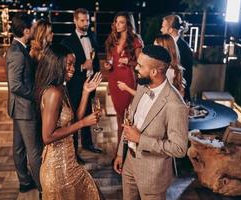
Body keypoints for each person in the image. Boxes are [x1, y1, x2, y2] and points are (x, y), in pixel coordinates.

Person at [114, 45, 189, 200]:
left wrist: (141, 139)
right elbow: (130, 121)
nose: (136, 68)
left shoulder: (176, 104)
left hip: (152, 175)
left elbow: (179, 148)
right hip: (129, 163)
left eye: (141, 66)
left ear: (154, 72)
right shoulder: (142, 85)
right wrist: (121, 153)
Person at [35, 44, 103, 199]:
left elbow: (73, 120)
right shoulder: (53, 93)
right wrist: (84, 123)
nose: (73, 68)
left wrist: (86, 92)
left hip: (70, 163)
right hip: (57, 169)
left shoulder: (61, 87)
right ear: (56, 64)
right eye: (69, 64)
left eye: (73, 64)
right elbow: (47, 136)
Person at [6, 13, 42, 193]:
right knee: (34, 151)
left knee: (19, 148)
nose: (34, 30)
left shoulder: (17, 48)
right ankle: (43, 186)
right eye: (33, 28)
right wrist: (36, 95)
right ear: (26, 31)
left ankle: (25, 182)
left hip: (19, 108)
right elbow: (16, 85)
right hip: (25, 108)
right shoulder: (18, 53)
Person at [61, 8, 102, 164]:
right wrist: (81, 67)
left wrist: (97, 73)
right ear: (75, 21)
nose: (86, 23)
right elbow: (65, 66)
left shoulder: (92, 36)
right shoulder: (67, 42)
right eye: (82, 20)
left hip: (91, 83)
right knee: (75, 117)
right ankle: (74, 152)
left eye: (87, 20)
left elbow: (95, 59)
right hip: (76, 86)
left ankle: (88, 143)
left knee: (88, 113)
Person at [104, 12, 143, 152]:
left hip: (128, 80)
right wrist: (108, 66)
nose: (117, 25)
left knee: (127, 117)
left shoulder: (135, 41)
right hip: (114, 79)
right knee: (119, 116)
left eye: (121, 22)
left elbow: (141, 64)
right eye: (116, 22)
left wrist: (129, 61)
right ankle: (121, 150)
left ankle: (123, 151)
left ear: (128, 24)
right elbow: (110, 60)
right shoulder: (113, 39)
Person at [118, 34, 185, 97]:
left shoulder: (165, 71)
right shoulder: (172, 69)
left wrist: (126, 88)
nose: (153, 50)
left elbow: (150, 96)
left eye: (156, 47)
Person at [160, 14, 193, 101]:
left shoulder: (183, 48)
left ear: (170, 30)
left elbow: (186, 77)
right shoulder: (169, 45)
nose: (161, 30)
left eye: (163, 27)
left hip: (178, 97)